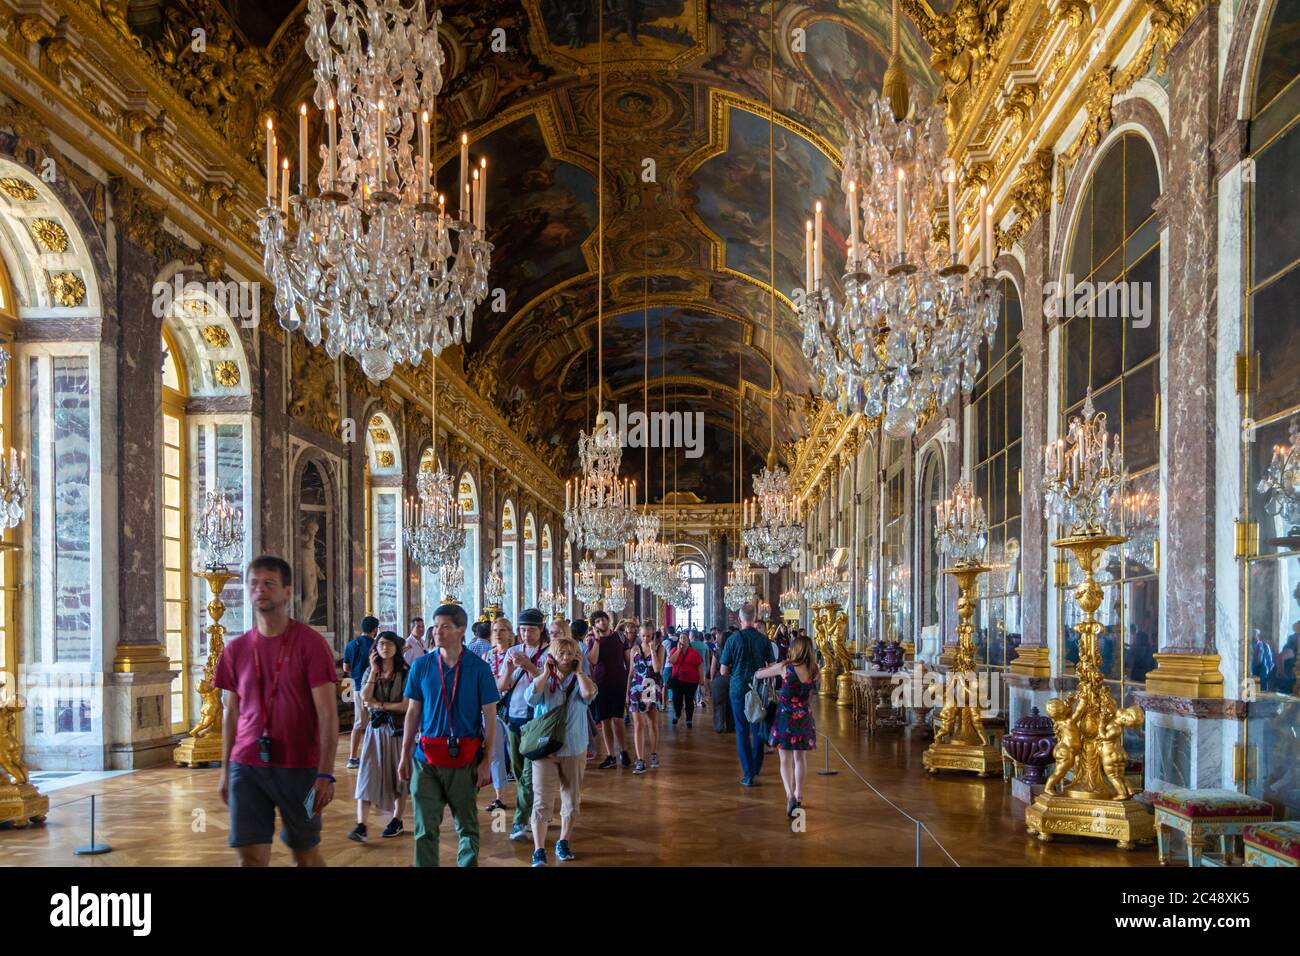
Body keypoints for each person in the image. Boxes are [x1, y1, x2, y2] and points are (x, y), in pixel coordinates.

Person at [216, 555, 339, 867]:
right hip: (246, 765)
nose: (260, 590)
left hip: (301, 768)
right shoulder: (236, 650)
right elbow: (231, 713)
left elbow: (327, 714)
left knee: (305, 853)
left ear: (287, 591)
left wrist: (325, 773)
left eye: (269, 583)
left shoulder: (310, 645)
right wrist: (225, 771)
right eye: (254, 584)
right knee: (250, 857)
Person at [398, 603, 500, 867]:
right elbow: (412, 713)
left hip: (466, 759)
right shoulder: (421, 666)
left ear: (461, 630)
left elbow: (490, 718)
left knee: (467, 827)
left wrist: (487, 760)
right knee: (424, 829)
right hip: (426, 759)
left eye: (445, 626)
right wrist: (404, 755)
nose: (437, 632)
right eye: (436, 626)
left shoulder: (479, 668)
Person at [526, 635, 598, 866]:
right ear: (552, 656)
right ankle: (539, 849)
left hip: (574, 747)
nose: (565, 658)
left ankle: (563, 841)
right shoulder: (544, 679)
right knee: (541, 801)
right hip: (545, 748)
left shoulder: (581, 680)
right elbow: (530, 698)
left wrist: (579, 672)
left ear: (577, 656)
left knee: (571, 798)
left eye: (570, 654)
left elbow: (589, 695)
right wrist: (545, 673)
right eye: (561, 654)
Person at [351, 630, 409, 842]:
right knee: (367, 774)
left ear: (396, 648)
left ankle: (397, 820)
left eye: (389, 644)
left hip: (397, 732)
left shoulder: (405, 672)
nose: (385, 648)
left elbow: (405, 705)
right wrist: (374, 673)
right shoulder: (370, 671)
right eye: (381, 644)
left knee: (398, 778)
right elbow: (365, 697)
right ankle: (361, 825)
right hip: (375, 732)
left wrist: (380, 705)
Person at [497, 608, 548, 842]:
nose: (526, 634)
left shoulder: (548, 654)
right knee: (518, 772)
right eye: (523, 630)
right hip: (514, 717)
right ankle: (533, 810)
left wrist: (529, 666)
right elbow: (501, 686)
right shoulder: (512, 651)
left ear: (541, 630)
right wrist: (508, 670)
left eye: (531, 630)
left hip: (536, 719)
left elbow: (549, 685)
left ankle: (519, 821)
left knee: (528, 773)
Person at [755, 634, 818, 817]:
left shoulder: (786, 668)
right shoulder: (814, 669)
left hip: (785, 718)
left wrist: (760, 669)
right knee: (800, 758)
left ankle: (789, 795)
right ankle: (799, 795)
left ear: (795, 649)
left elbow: (760, 674)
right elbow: (811, 696)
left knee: (784, 759)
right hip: (804, 716)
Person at [720, 603, 775, 786]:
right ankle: (756, 765)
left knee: (742, 731)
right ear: (754, 618)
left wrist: (734, 672)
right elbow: (771, 666)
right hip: (758, 689)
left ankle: (748, 772)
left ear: (740, 619)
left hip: (737, 689)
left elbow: (722, 671)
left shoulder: (732, 640)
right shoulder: (763, 640)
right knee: (757, 727)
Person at [587, 610, 631, 769]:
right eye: (598, 621)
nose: (602, 623)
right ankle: (610, 755)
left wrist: (629, 683)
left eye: (603, 619)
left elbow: (628, 661)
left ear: (608, 620)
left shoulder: (620, 637)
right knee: (605, 722)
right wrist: (597, 641)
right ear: (594, 625)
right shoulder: (592, 640)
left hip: (619, 683)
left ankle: (624, 751)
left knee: (618, 720)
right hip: (601, 684)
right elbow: (592, 660)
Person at [482, 617, 517, 813]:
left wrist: (499, 682)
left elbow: (509, 683)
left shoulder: (515, 655)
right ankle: (499, 797)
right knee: (494, 753)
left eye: (503, 630)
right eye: (495, 630)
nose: (498, 633)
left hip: (511, 708)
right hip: (492, 708)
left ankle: (525, 794)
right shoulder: (487, 656)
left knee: (516, 753)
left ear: (510, 634)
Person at [627, 622, 665, 773]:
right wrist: (626, 693)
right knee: (638, 725)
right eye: (643, 636)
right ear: (639, 635)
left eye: (648, 636)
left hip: (651, 688)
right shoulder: (634, 650)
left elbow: (657, 668)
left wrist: (653, 650)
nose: (645, 639)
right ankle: (640, 760)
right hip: (636, 689)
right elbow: (631, 673)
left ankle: (654, 753)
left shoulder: (660, 648)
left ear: (653, 635)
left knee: (652, 723)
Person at [342, 615, 379, 769]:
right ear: (375, 630)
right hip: (375, 687)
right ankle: (375, 756)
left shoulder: (351, 645)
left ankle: (352, 757)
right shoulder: (377, 644)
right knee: (377, 721)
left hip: (357, 686)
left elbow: (345, 668)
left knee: (358, 723)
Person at [668, 631, 704, 728]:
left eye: (684, 638)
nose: (682, 639)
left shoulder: (694, 652)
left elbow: (699, 666)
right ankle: (677, 714)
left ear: (688, 640)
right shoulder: (674, 650)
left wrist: (701, 679)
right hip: (678, 680)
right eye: (681, 638)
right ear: (678, 640)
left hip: (691, 681)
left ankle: (689, 719)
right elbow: (672, 661)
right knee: (676, 700)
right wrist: (679, 650)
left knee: (689, 701)